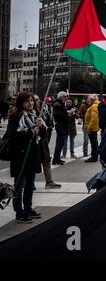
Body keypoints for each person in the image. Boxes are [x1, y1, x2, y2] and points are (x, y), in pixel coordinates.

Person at [7, 92, 46, 223]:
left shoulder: (35, 116)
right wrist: (31, 132)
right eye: (27, 101)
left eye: (32, 101)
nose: (30, 103)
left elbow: (44, 134)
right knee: (19, 185)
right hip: (20, 156)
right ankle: (19, 212)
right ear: (20, 103)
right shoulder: (15, 117)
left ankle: (28, 208)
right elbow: (13, 136)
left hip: (32, 156)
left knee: (30, 184)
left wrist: (40, 126)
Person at [33, 94, 61, 189]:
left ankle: (49, 181)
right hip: (34, 142)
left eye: (37, 100)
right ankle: (31, 182)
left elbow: (44, 127)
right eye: (34, 100)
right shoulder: (26, 114)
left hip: (43, 140)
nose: (36, 101)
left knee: (46, 160)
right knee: (34, 162)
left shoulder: (39, 110)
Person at [52, 91, 69, 165]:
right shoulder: (57, 104)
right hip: (60, 125)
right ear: (61, 97)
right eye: (65, 96)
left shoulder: (60, 103)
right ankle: (56, 159)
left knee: (60, 143)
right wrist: (67, 113)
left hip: (62, 125)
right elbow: (57, 115)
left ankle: (57, 158)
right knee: (59, 143)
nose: (66, 98)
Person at [84, 94, 100, 163]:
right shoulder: (95, 105)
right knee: (94, 143)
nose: (88, 100)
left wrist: (89, 128)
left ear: (92, 99)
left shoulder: (94, 106)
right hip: (93, 128)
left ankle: (94, 157)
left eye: (89, 99)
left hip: (92, 128)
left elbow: (93, 119)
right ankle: (94, 156)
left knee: (93, 143)